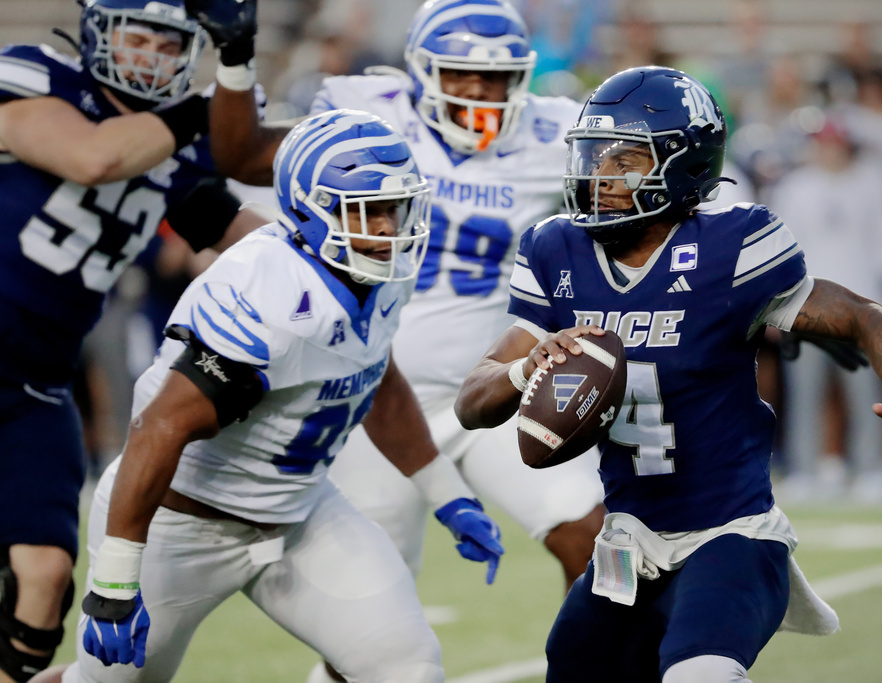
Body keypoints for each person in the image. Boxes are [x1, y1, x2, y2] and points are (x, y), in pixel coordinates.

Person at [454, 66, 882, 683]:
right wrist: (524, 368)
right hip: (627, 541)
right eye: (595, 155)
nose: (601, 174)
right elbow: (472, 402)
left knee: (701, 675)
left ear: (684, 164)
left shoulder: (733, 244)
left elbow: (861, 315)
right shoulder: (556, 249)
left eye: (626, 159)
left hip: (731, 535)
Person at [31, 109, 504, 683]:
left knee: (406, 667)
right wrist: (114, 579)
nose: (385, 229)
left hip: (299, 513)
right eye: (365, 210)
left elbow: (375, 374)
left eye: (394, 208)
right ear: (310, 211)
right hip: (182, 523)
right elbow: (159, 428)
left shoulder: (376, 272)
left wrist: (447, 493)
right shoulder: (269, 294)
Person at [189, 0, 604, 641]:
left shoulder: (555, 135)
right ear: (419, 69)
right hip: (371, 401)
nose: (479, 91)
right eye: (461, 72)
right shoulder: (366, 118)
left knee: (592, 538)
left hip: (494, 391)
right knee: (371, 632)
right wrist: (237, 64)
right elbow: (242, 158)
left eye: (495, 77)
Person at [0, 2, 265, 680]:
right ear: (97, 33)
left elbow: (251, 238)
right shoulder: (36, 77)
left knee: (43, 578)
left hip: (36, 382)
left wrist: (334, 250)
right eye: (137, 36)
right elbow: (93, 157)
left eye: (168, 43)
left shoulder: (175, 151)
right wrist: (204, 110)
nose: (150, 55)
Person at [770, 118, 882, 501]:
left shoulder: (871, 184)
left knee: (865, 394)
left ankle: (871, 468)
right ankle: (805, 469)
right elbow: (779, 249)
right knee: (804, 394)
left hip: (859, 305)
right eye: (823, 143)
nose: (829, 150)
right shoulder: (796, 187)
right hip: (805, 305)